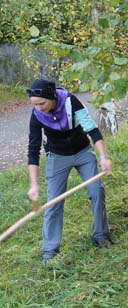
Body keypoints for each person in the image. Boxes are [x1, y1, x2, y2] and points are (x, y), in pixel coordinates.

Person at [26, 79, 112, 261]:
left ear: (52, 96)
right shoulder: (37, 115)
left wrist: (104, 157)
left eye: (42, 103)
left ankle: (101, 234)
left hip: (82, 152)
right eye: (35, 104)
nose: (39, 108)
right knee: (54, 202)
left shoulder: (70, 102)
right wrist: (33, 184)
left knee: (97, 192)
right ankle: (50, 249)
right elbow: (33, 150)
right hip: (57, 157)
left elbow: (92, 129)